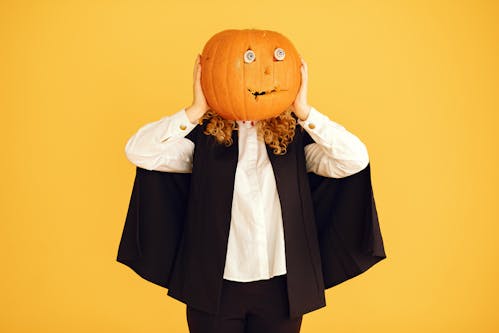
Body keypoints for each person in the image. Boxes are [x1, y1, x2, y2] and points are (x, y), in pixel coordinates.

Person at [123, 55, 371, 333]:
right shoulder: (202, 142)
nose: (251, 82)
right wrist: (194, 111)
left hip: (282, 288)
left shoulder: (296, 142)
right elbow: (138, 151)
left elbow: (355, 160)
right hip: (214, 288)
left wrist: (305, 112)